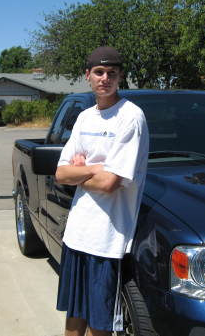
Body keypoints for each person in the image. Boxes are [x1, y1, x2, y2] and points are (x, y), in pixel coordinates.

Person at [55, 46, 149, 336]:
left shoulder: (131, 118)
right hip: (77, 234)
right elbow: (60, 173)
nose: (105, 78)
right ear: (88, 75)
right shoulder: (84, 118)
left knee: (100, 322)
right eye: (99, 72)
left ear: (121, 77)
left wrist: (81, 172)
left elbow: (110, 184)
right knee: (75, 315)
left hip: (107, 241)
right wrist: (96, 169)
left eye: (112, 73)